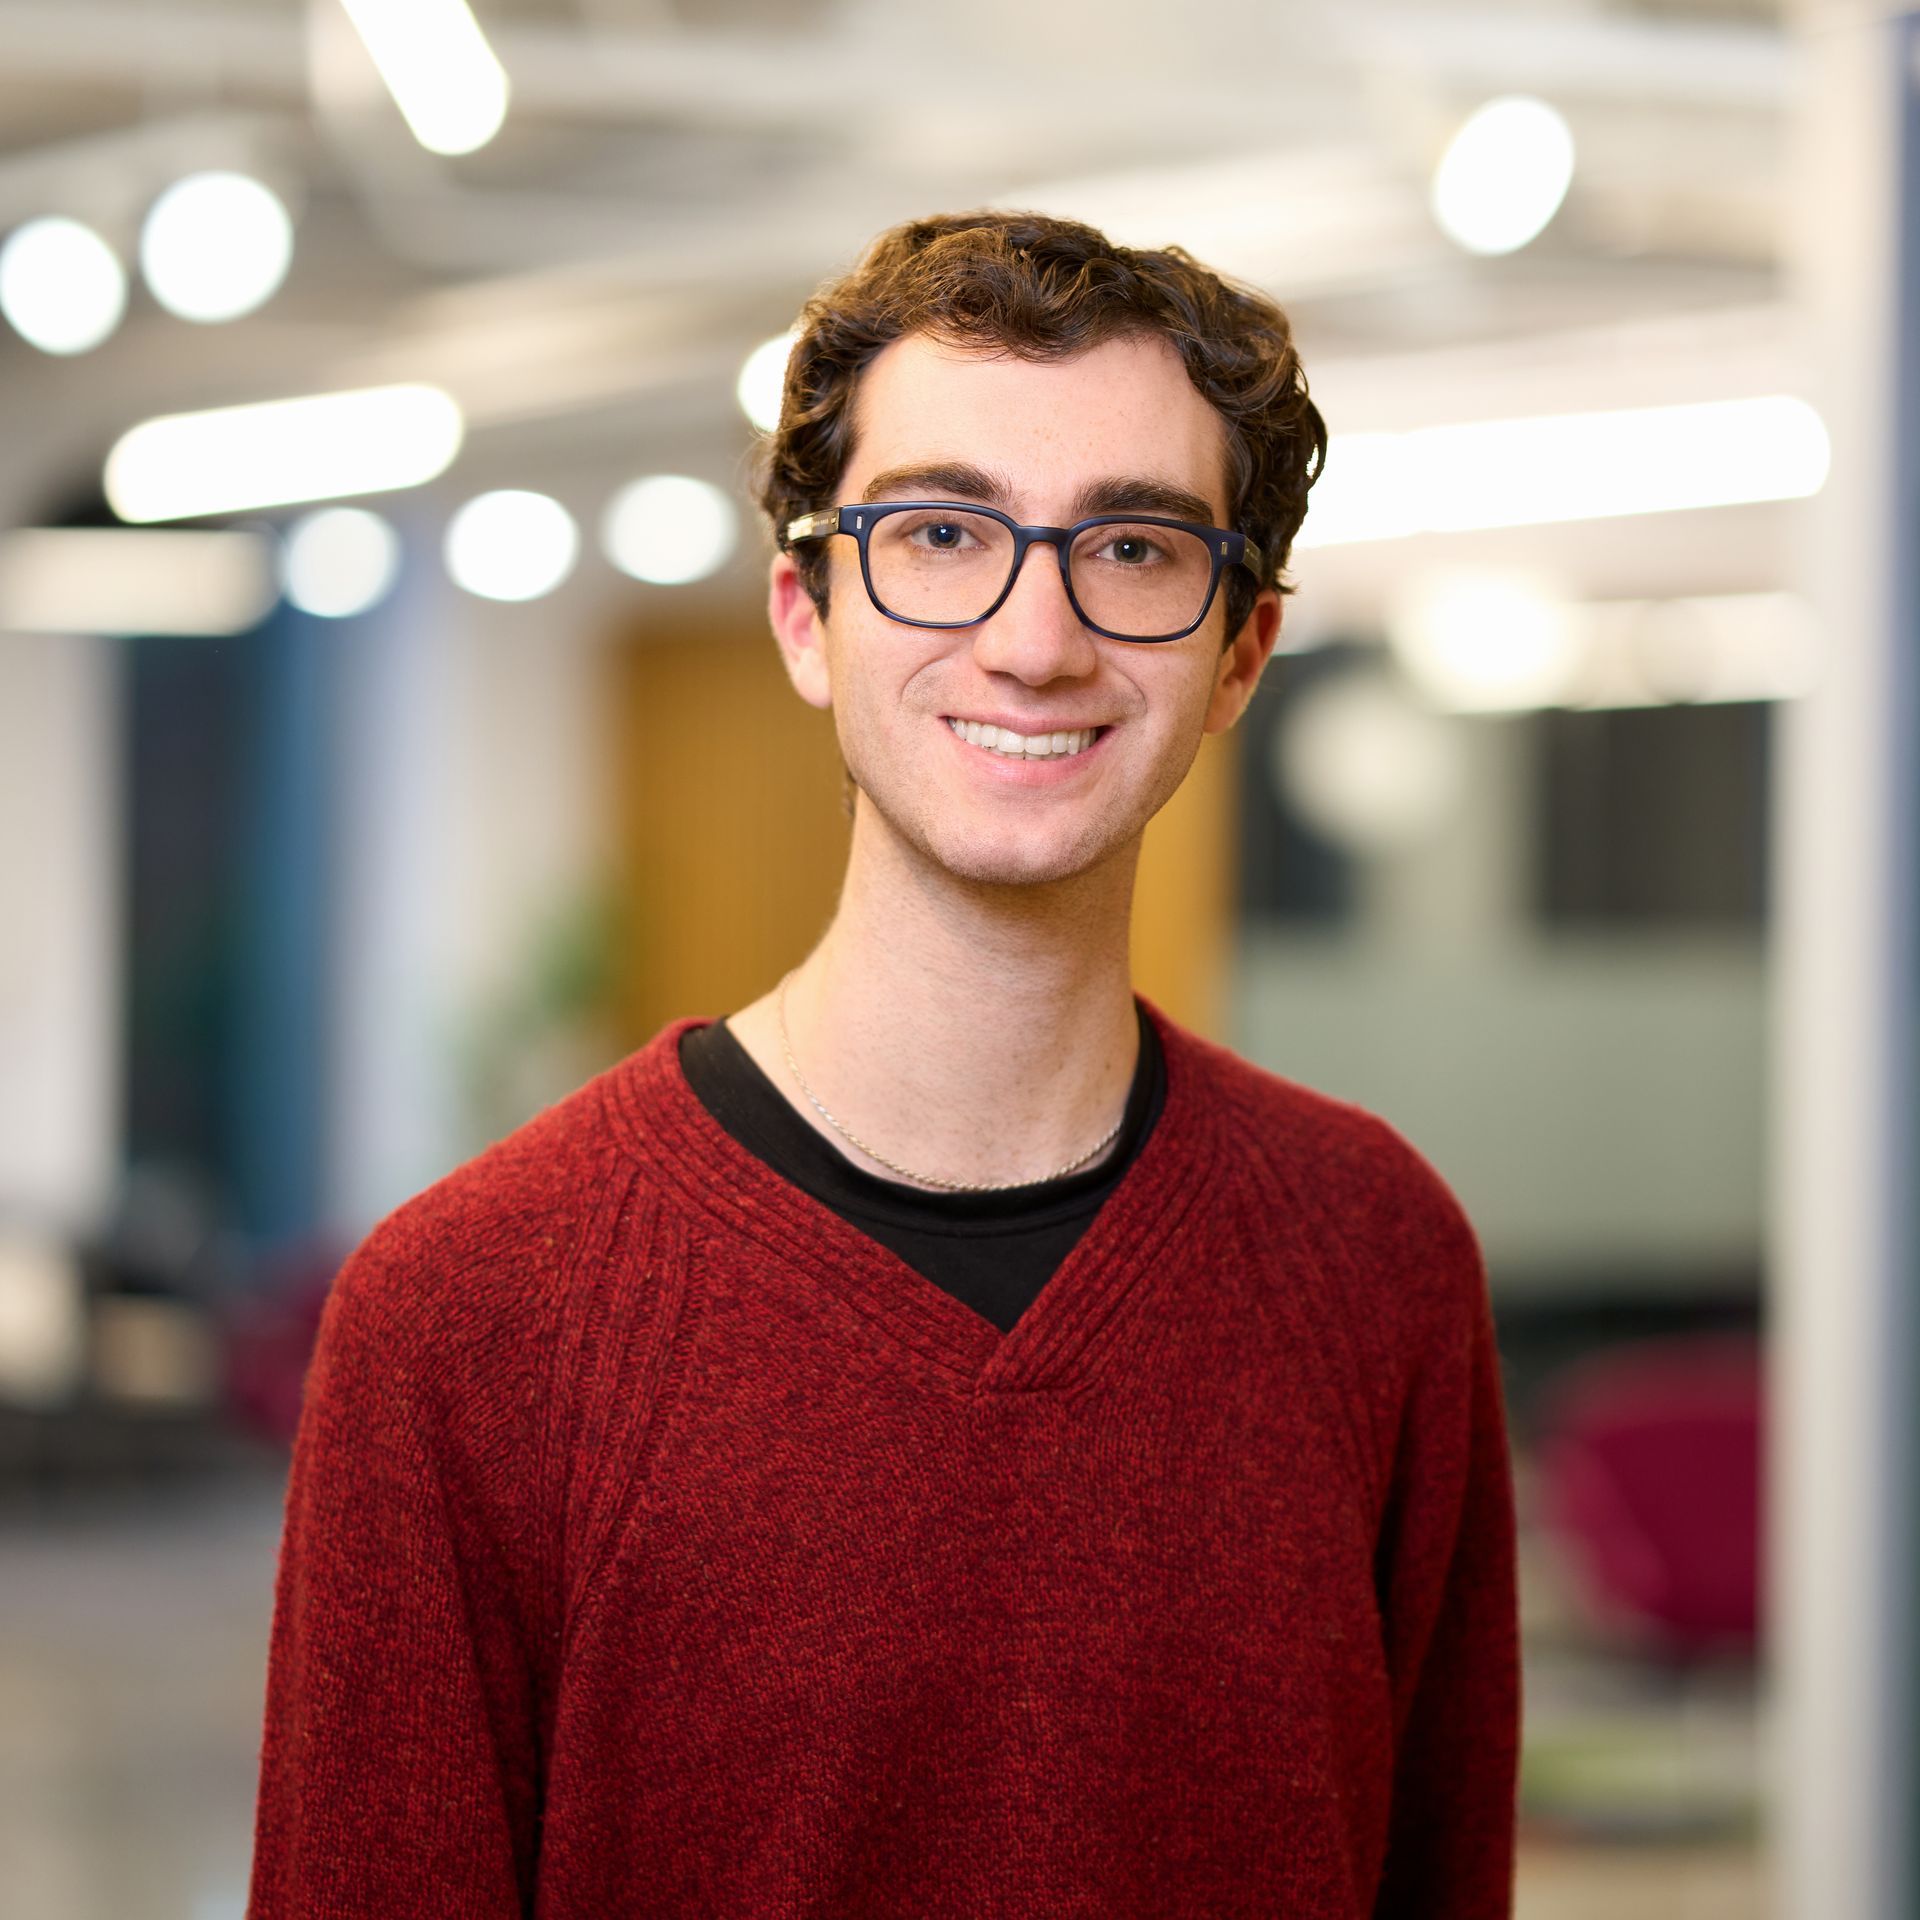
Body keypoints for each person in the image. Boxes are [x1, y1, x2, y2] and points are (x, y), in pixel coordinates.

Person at [248, 210, 1520, 1918]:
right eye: (941, 532)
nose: (1033, 639)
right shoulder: (470, 1315)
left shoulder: (1377, 1256)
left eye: (1134, 550)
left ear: (1241, 654)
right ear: (804, 615)